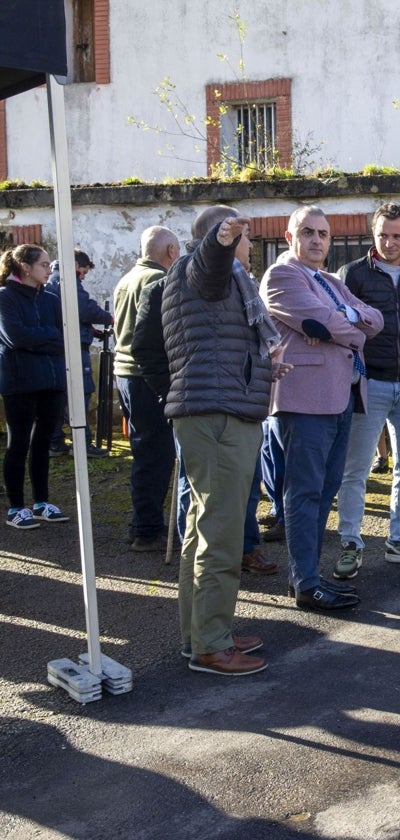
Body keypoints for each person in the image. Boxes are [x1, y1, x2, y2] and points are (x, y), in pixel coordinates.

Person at [161, 206, 287, 676]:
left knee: (202, 529)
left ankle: (201, 635)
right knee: (222, 533)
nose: (251, 245)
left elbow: (217, 345)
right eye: (246, 237)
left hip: (214, 411)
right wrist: (221, 237)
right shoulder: (203, 268)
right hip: (218, 418)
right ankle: (212, 646)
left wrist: (265, 369)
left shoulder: (216, 282)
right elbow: (209, 265)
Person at [262, 206, 381, 611]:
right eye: (308, 232)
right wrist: (352, 329)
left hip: (342, 398)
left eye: (324, 234)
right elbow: (317, 322)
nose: (317, 240)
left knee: (326, 490)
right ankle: (305, 582)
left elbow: (375, 321)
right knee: (304, 493)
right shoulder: (282, 274)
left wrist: (345, 320)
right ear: (289, 236)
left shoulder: (330, 280)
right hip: (304, 400)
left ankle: (308, 575)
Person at [334, 203, 400, 580]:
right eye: (383, 235)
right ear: (372, 235)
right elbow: (341, 328)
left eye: (397, 235)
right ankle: (350, 542)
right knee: (356, 469)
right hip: (370, 384)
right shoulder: (353, 274)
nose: (390, 242)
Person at [113, 226, 181, 552]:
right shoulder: (156, 281)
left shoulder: (126, 279)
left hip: (125, 373)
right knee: (155, 454)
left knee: (143, 451)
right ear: (170, 251)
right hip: (146, 376)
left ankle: (141, 522)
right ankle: (147, 529)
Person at [0, 245, 71, 530]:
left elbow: (64, 337)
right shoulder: (5, 298)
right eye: (44, 264)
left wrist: (41, 340)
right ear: (26, 267)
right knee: (19, 443)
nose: (49, 269)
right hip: (19, 382)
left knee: (43, 443)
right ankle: (16, 507)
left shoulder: (51, 299)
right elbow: (14, 337)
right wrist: (48, 337)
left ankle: (42, 502)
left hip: (51, 381)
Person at [47, 249, 113, 458]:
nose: (82, 277)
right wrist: (108, 318)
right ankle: (82, 445)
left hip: (61, 347)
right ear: (76, 265)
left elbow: (70, 314)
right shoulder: (66, 279)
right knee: (79, 394)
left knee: (61, 397)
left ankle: (55, 442)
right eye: (83, 272)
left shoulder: (54, 280)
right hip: (73, 348)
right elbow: (82, 308)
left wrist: (90, 330)